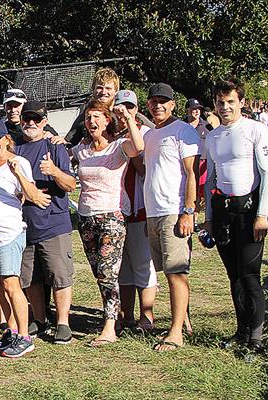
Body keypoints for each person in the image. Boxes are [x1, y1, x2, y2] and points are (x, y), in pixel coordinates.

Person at [204, 78, 268, 355]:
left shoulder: (255, 130)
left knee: (249, 275)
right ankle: (242, 330)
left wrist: (262, 214)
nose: (225, 107)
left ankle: (256, 337)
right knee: (233, 276)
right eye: (221, 102)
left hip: (250, 211)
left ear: (241, 102)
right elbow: (210, 178)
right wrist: (209, 217)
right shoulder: (212, 136)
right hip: (224, 212)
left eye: (231, 101)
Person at [71, 101, 144, 347]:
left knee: (107, 273)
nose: (92, 121)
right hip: (86, 217)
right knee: (98, 273)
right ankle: (118, 315)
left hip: (111, 216)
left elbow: (138, 146)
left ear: (106, 121)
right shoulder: (82, 150)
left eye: (97, 117)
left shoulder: (117, 147)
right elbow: (66, 156)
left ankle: (109, 327)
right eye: (88, 117)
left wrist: (129, 118)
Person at [0, 120, 49, 358]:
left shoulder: (20, 163)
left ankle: (25, 337)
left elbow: (32, 195)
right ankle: (11, 329)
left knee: (11, 283)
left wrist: (17, 172)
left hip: (8, 232)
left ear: (7, 139)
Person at [143, 82, 200, 352]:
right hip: (152, 213)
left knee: (177, 273)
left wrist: (188, 211)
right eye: (153, 101)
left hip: (173, 212)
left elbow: (191, 174)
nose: (158, 106)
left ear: (173, 104)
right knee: (165, 271)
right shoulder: (151, 135)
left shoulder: (184, 131)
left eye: (163, 101)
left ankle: (176, 332)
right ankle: (184, 320)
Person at [13, 101, 77, 345]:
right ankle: (40, 319)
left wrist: (54, 171)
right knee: (30, 277)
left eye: (36, 119)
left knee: (60, 276)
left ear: (44, 122)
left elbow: (70, 185)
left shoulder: (55, 146)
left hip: (54, 224)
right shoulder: (15, 147)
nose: (30, 123)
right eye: (26, 119)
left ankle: (63, 323)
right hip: (24, 224)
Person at [112, 91, 158, 333]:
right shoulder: (110, 134)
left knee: (143, 264)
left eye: (129, 107)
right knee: (123, 268)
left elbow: (145, 168)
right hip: (117, 208)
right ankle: (126, 315)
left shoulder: (145, 133)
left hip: (140, 207)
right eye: (120, 107)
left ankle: (146, 317)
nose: (124, 112)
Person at [64, 68, 153, 147]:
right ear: (93, 89)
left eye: (108, 88)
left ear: (116, 91)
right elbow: (70, 139)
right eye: (99, 88)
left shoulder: (124, 111)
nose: (103, 92)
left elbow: (155, 130)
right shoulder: (88, 112)